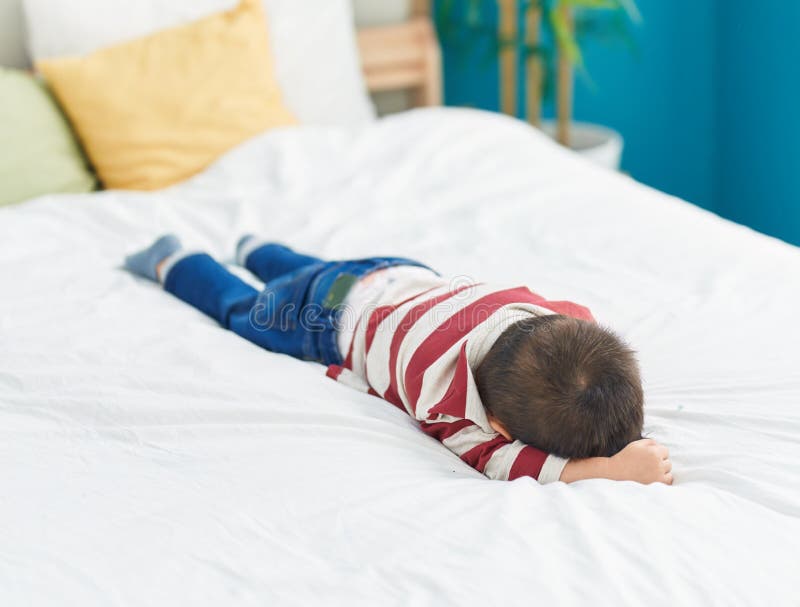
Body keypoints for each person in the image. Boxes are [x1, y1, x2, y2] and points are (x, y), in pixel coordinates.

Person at [124, 235, 673, 485]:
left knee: (310, 267)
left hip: (397, 272)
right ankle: (176, 260)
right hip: (326, 317)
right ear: (500, 425)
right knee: (246, 312)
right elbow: (502, 464)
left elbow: (590, 364)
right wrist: (605, 468)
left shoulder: (557, 316)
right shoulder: (445, 403)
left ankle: (255, 248)